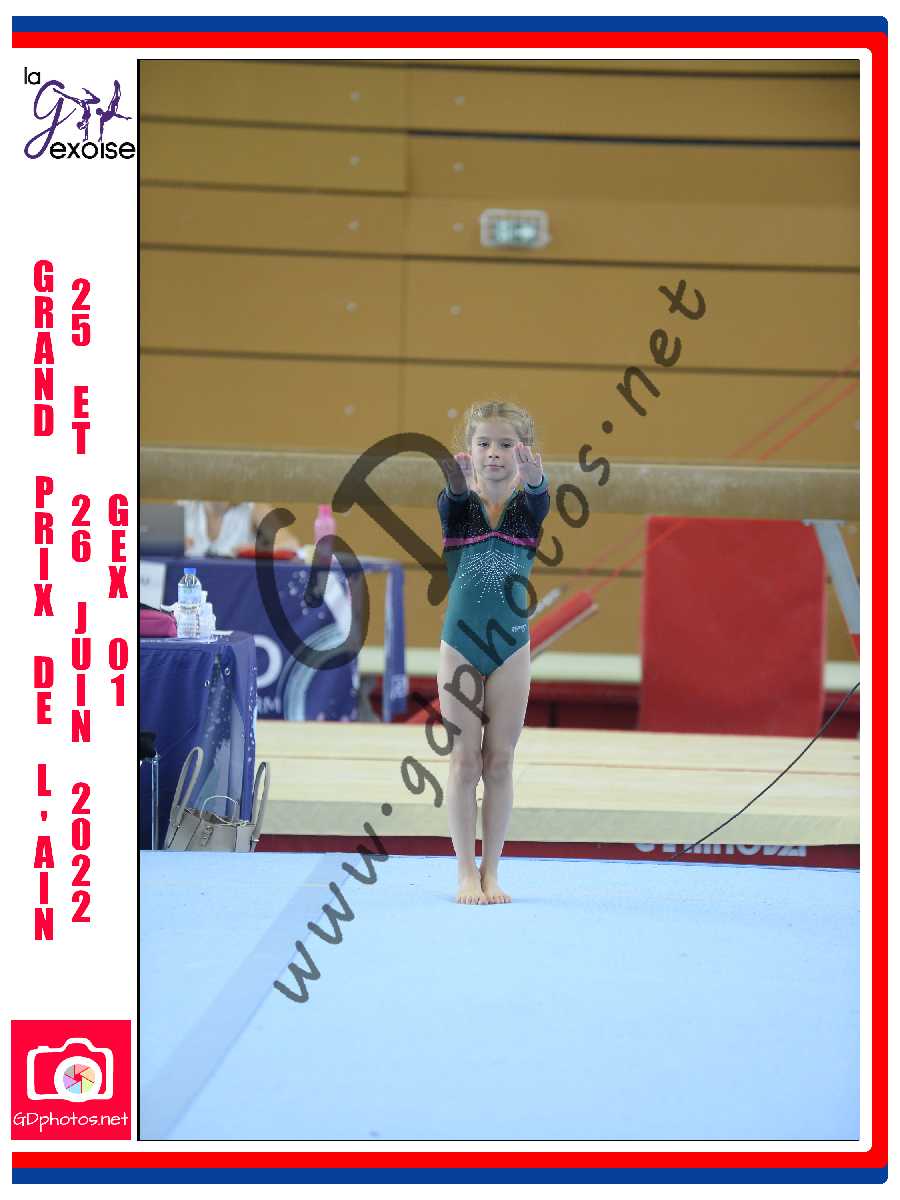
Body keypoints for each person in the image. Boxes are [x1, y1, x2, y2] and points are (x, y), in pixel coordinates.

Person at [436, 402, 550, 905]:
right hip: (461, 647)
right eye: (484, 443)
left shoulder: (527, 510)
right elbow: (451, 502)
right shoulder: (458, 507)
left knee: (500, 761)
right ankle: (465, 871)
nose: (494, 453)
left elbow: (542, 499)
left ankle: (492, 871)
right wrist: (457, 486)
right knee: (465, 762)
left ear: (523, 453)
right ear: (470, 449)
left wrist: (538, 481)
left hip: (510, 648)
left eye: (506, 444)